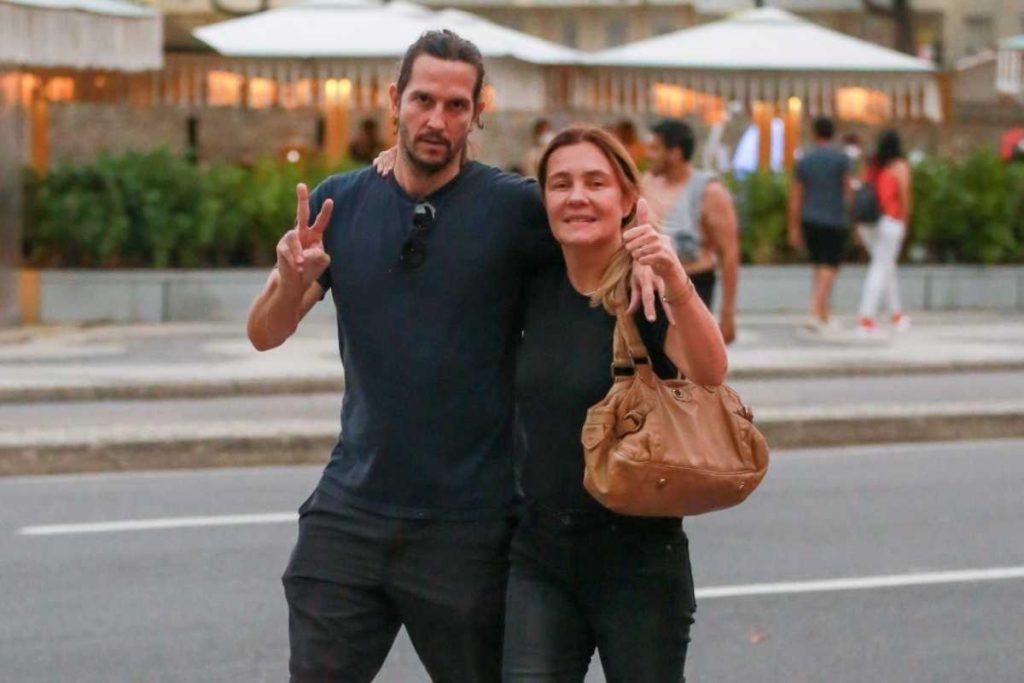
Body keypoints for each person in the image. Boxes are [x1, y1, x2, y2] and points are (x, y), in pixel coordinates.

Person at [246, 30, 661, 682]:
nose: (437, 120)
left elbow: (601, 210)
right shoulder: (339, 203)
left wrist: (649, 252)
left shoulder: (513, 208)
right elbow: (265, 333)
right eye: (423, 100)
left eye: (456, 105)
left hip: (470, 527)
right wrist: (289, 282)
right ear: (395, 100)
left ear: (477, 112)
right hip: (350, 513)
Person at [503, 124, 728, 682]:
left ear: (627, 199)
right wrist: (396, 151)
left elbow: (710, 371)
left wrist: (673, 275)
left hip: (639, 562)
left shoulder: (646, 288)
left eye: (595, 182)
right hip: (540, 556)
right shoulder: (531, 283)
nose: (577, 196)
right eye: (560, 184)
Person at [642, 118, 740, 344]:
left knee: (686, 362)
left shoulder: (710, 192)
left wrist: (727, 315)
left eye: (655, 149)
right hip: (651, 291)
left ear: (675, 153)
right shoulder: (646, 184)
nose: (648, 155)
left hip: (692, 287)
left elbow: (730, 254)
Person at [787, 116, 853, 332]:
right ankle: (815, 309)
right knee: (829, 266)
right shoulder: (842, 159)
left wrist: (793, 227)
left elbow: (796, 196)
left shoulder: (805, 161)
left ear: (814, 133)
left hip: (810, 218)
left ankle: (824, 313)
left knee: (819, 266)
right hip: (834, 219)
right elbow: (848, 191)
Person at [856, 129, 913, 337]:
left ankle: (896, 314)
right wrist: (906, 221)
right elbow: (904, 195)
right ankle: (866, 317)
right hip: (890, 220)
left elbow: (860, 190)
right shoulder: (899, 166)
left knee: (885, 265)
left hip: (867, 222)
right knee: (881, 267)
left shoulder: (871, 165)